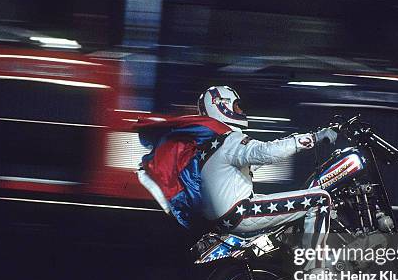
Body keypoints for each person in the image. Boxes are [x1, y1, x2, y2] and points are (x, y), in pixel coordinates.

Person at [138, 85, 338, 259]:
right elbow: (266, 152)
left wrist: (295, 145)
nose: (241, 110)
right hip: (241, 213)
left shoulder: (209, 146)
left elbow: (257, 159)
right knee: (320, 199)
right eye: (236, 105)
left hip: (227, 217)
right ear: (221, 106)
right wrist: (313, 138)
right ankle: (316, 271)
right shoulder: (229, 140)